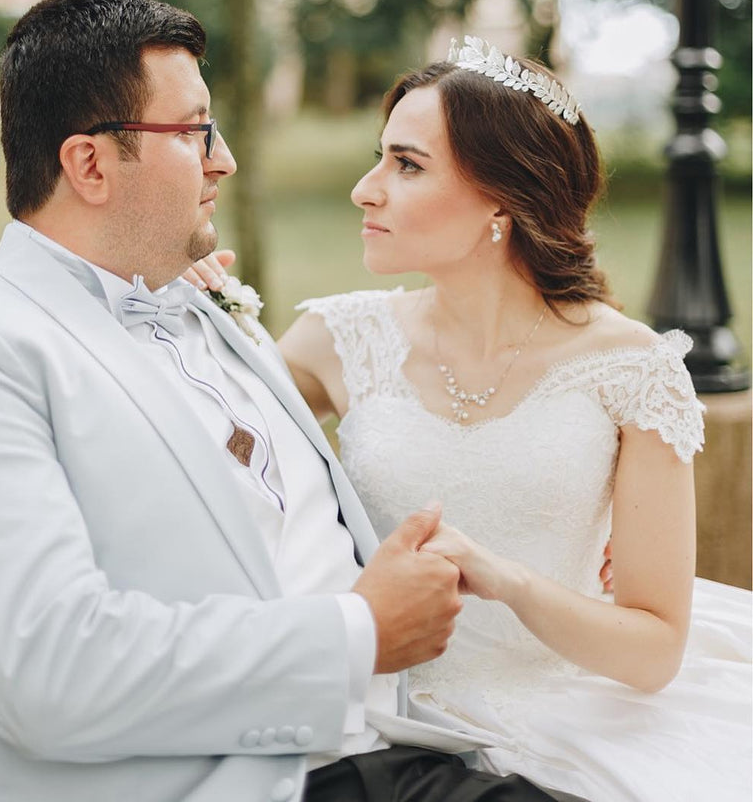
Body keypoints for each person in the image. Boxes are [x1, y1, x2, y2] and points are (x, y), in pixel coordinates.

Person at [0, 0, 590, 802]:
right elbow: (46, 668)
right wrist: (359, 632)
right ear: (90, 164)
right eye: (194, 131)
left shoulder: (212, 310)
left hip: (408, 745)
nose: (225, 160)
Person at [274, 39, 753, 802]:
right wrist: (191, 305)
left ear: (502, 195)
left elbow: (655, 650)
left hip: (576, 716)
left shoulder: (632, 370)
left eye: (406, 165)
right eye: (379, 158)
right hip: (379, 721)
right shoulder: (334, 339)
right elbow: (203, 445)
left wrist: (508, 581)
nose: (366, 190)